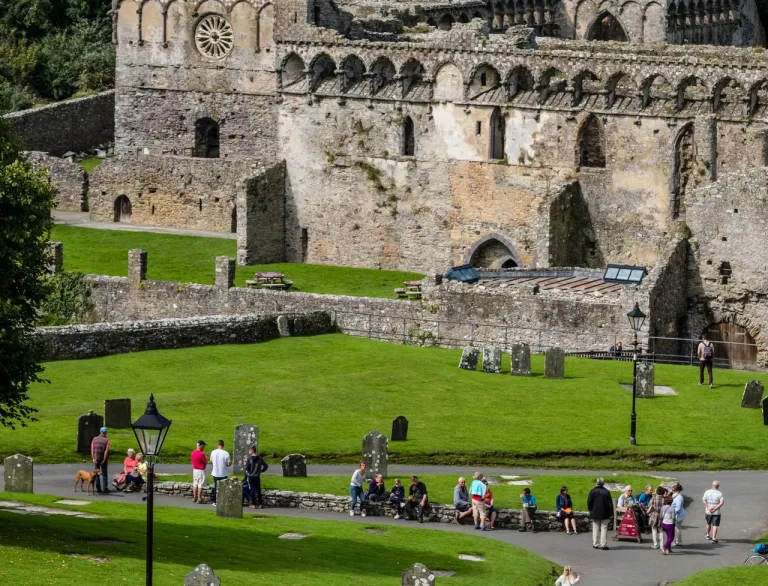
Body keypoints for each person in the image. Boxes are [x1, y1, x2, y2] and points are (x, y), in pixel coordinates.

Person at [587, 477, 613, 550]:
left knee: (595, 528)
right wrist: (611, 514)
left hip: (595, 513)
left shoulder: (592, 491)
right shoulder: (607, 492)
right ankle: (603, 544)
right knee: (604, 529)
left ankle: (595, 544)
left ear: (597, 483)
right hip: (605, 513)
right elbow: (610, 504)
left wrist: (590, 509)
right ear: (603, 483)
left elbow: (589, 502)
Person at [209, 439, 231, 507]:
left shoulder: (213, 452)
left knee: (216, 487)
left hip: (215, 472)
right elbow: (228, 464)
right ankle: (223, 501)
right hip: (223, 473)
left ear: (217, 445)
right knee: (223, 488)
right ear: (223, 445)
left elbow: (211, 460)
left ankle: (215, 501)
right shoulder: (226, 453)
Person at [90, 427, 110, 494]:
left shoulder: (94, 439)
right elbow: (106, 451)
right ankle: (105, 488)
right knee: (104, 473)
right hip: (102, 459)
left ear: (100, 431)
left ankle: (98, 488)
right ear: (105, 432)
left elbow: (92, 449)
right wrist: (104, 459)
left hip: (96, 458)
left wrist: (93, 458)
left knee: (96, 473)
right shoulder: (107, 440)